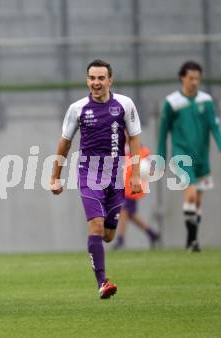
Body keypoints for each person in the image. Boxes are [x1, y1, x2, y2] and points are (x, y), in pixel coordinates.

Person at [50, 59, 142, 299]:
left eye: (101, 78)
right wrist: (55, 177)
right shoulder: (77, 109)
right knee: (96, 225)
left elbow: (134, 138)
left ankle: (99, 258)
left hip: (116, 175)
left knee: (108, 235)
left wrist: (135, 174)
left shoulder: (125, 104)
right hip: (89, 174)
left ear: (110, 80)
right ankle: (102, 283)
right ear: (87, 80)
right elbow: (65, 143)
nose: (96, 82)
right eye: (92, 78)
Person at [158, 61, 221, 252]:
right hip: (181, 156)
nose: (195, 82)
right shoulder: (172, 103)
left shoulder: (205, 101)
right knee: (189, 195)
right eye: (191, 78)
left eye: (197, 78)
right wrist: (161, 158)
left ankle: (193, 240)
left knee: (197, 201)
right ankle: (191, 238)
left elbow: (215, 125)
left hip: (202, 157)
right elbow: (163, 132)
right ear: (182, 78)